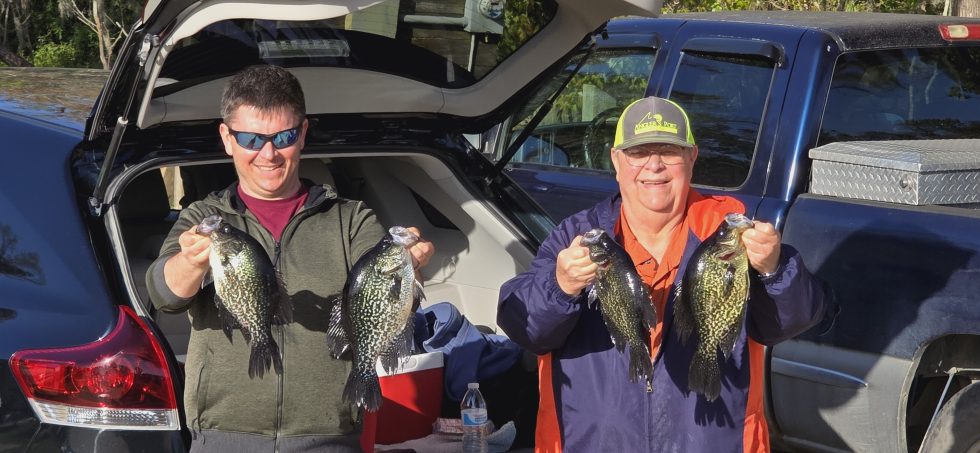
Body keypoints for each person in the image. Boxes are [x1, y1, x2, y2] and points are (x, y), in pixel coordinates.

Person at [497, 96, 825, 452]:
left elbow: (794, 319)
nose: (654, 165)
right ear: (616, 161)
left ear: (692, 157)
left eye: (669, 151)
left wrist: (775, 270)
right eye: (638, 153)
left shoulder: (735, 239)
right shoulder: (576, 236)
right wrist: (561, 287)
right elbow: (525, 328)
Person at [146, 64, 434, 452]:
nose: (268, 154)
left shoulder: (351, 219)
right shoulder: (203, 218)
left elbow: (385, 286)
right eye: (251, 139)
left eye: (283, 137)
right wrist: (191, 262)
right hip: (223, 435)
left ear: (303, 134)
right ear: (227, 138)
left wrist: (411, 262)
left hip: (330, 436)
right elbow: (164, 294)